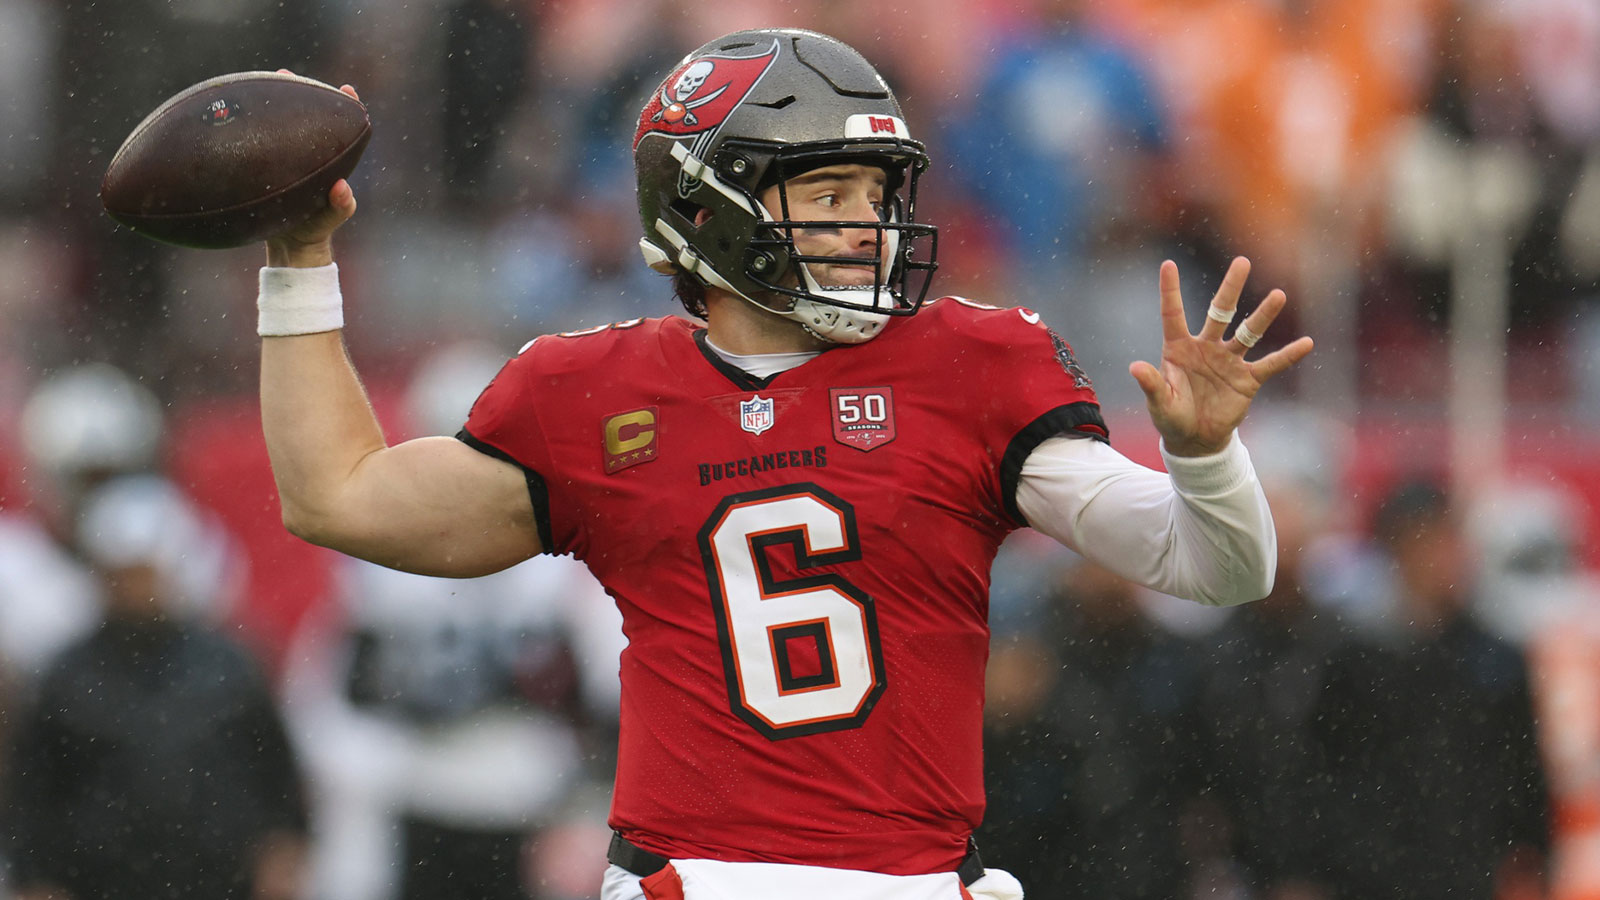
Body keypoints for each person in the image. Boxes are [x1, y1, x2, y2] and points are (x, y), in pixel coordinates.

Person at [256, 28, 1312, 900]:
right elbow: (339, 497)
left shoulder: (969, 365)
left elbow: (1217, 568)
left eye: (876, 194)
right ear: (707, 205)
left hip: (912, 881)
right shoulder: (594, 393)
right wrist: (299, 265)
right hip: (691, 881)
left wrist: (1203, 452)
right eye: (830, 193)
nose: (868, 228)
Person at [2, 475, 309, 900]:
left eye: (143, 573)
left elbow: (275, 769)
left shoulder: (230, 664)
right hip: (100, 882)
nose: (133, 589)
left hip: (219, 879)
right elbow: (34, 787)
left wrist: (285, 847)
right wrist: (34, 876)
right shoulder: (65, 675)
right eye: (121, 575)